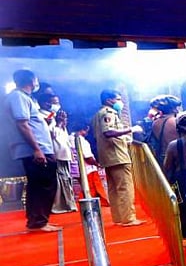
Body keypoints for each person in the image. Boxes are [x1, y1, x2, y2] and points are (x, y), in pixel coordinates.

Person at [3, 70, 60, 232]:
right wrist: (36, 149)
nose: (37, 83)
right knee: (42, 185)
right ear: (31, 81)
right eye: (36, 79)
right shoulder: (18, 97)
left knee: (42, 184)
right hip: (34, 149)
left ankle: (39, 220)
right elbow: (22, 124)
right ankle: (38, 222)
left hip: (39, 148)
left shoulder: (26, 98)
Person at [91, 89, 143, 226]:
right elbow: (108, 132)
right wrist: (131, 129)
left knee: (114, 188)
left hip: (107, 156)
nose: (120, 102)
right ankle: (128, 218)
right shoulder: (108, 113)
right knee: (125, 187)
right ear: (109, 100)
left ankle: (119, 217)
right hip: (117, 155)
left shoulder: (98, 114)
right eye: (118, 99)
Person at [70, 122, 109, 206]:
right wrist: (97, 164)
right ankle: (93, 204)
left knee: (85, 187)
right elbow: (87, 157)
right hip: (88, 169)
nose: (87, 133)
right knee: (92, 187)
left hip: (77, 168)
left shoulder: (70, 138)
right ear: (83, 129)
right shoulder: (81, 140)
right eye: (87, 130)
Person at [149, 94, 182, 166]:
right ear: (172, 109)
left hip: (163, 158)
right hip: (178, 160)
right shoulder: (174, 121)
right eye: (176, 107)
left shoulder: (155, 123)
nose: (177, 110)